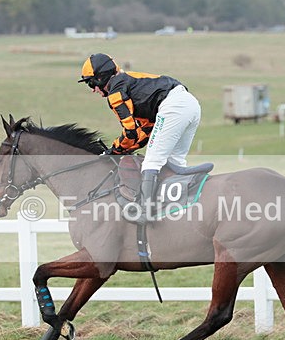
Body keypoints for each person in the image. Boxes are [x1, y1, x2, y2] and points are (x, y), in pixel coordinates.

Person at [78, 53, 201, 222]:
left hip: (173, 107)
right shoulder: (128, 81)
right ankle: (176, 212)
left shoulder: (116, 92)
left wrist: (115, 150)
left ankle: (146, 212)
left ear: (101, 78)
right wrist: (122, 149)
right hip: (190, 104)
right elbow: (143, 134)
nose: (93, 89)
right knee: (173, 163)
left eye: (91, 83)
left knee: (152, 162)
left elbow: (131, 132)